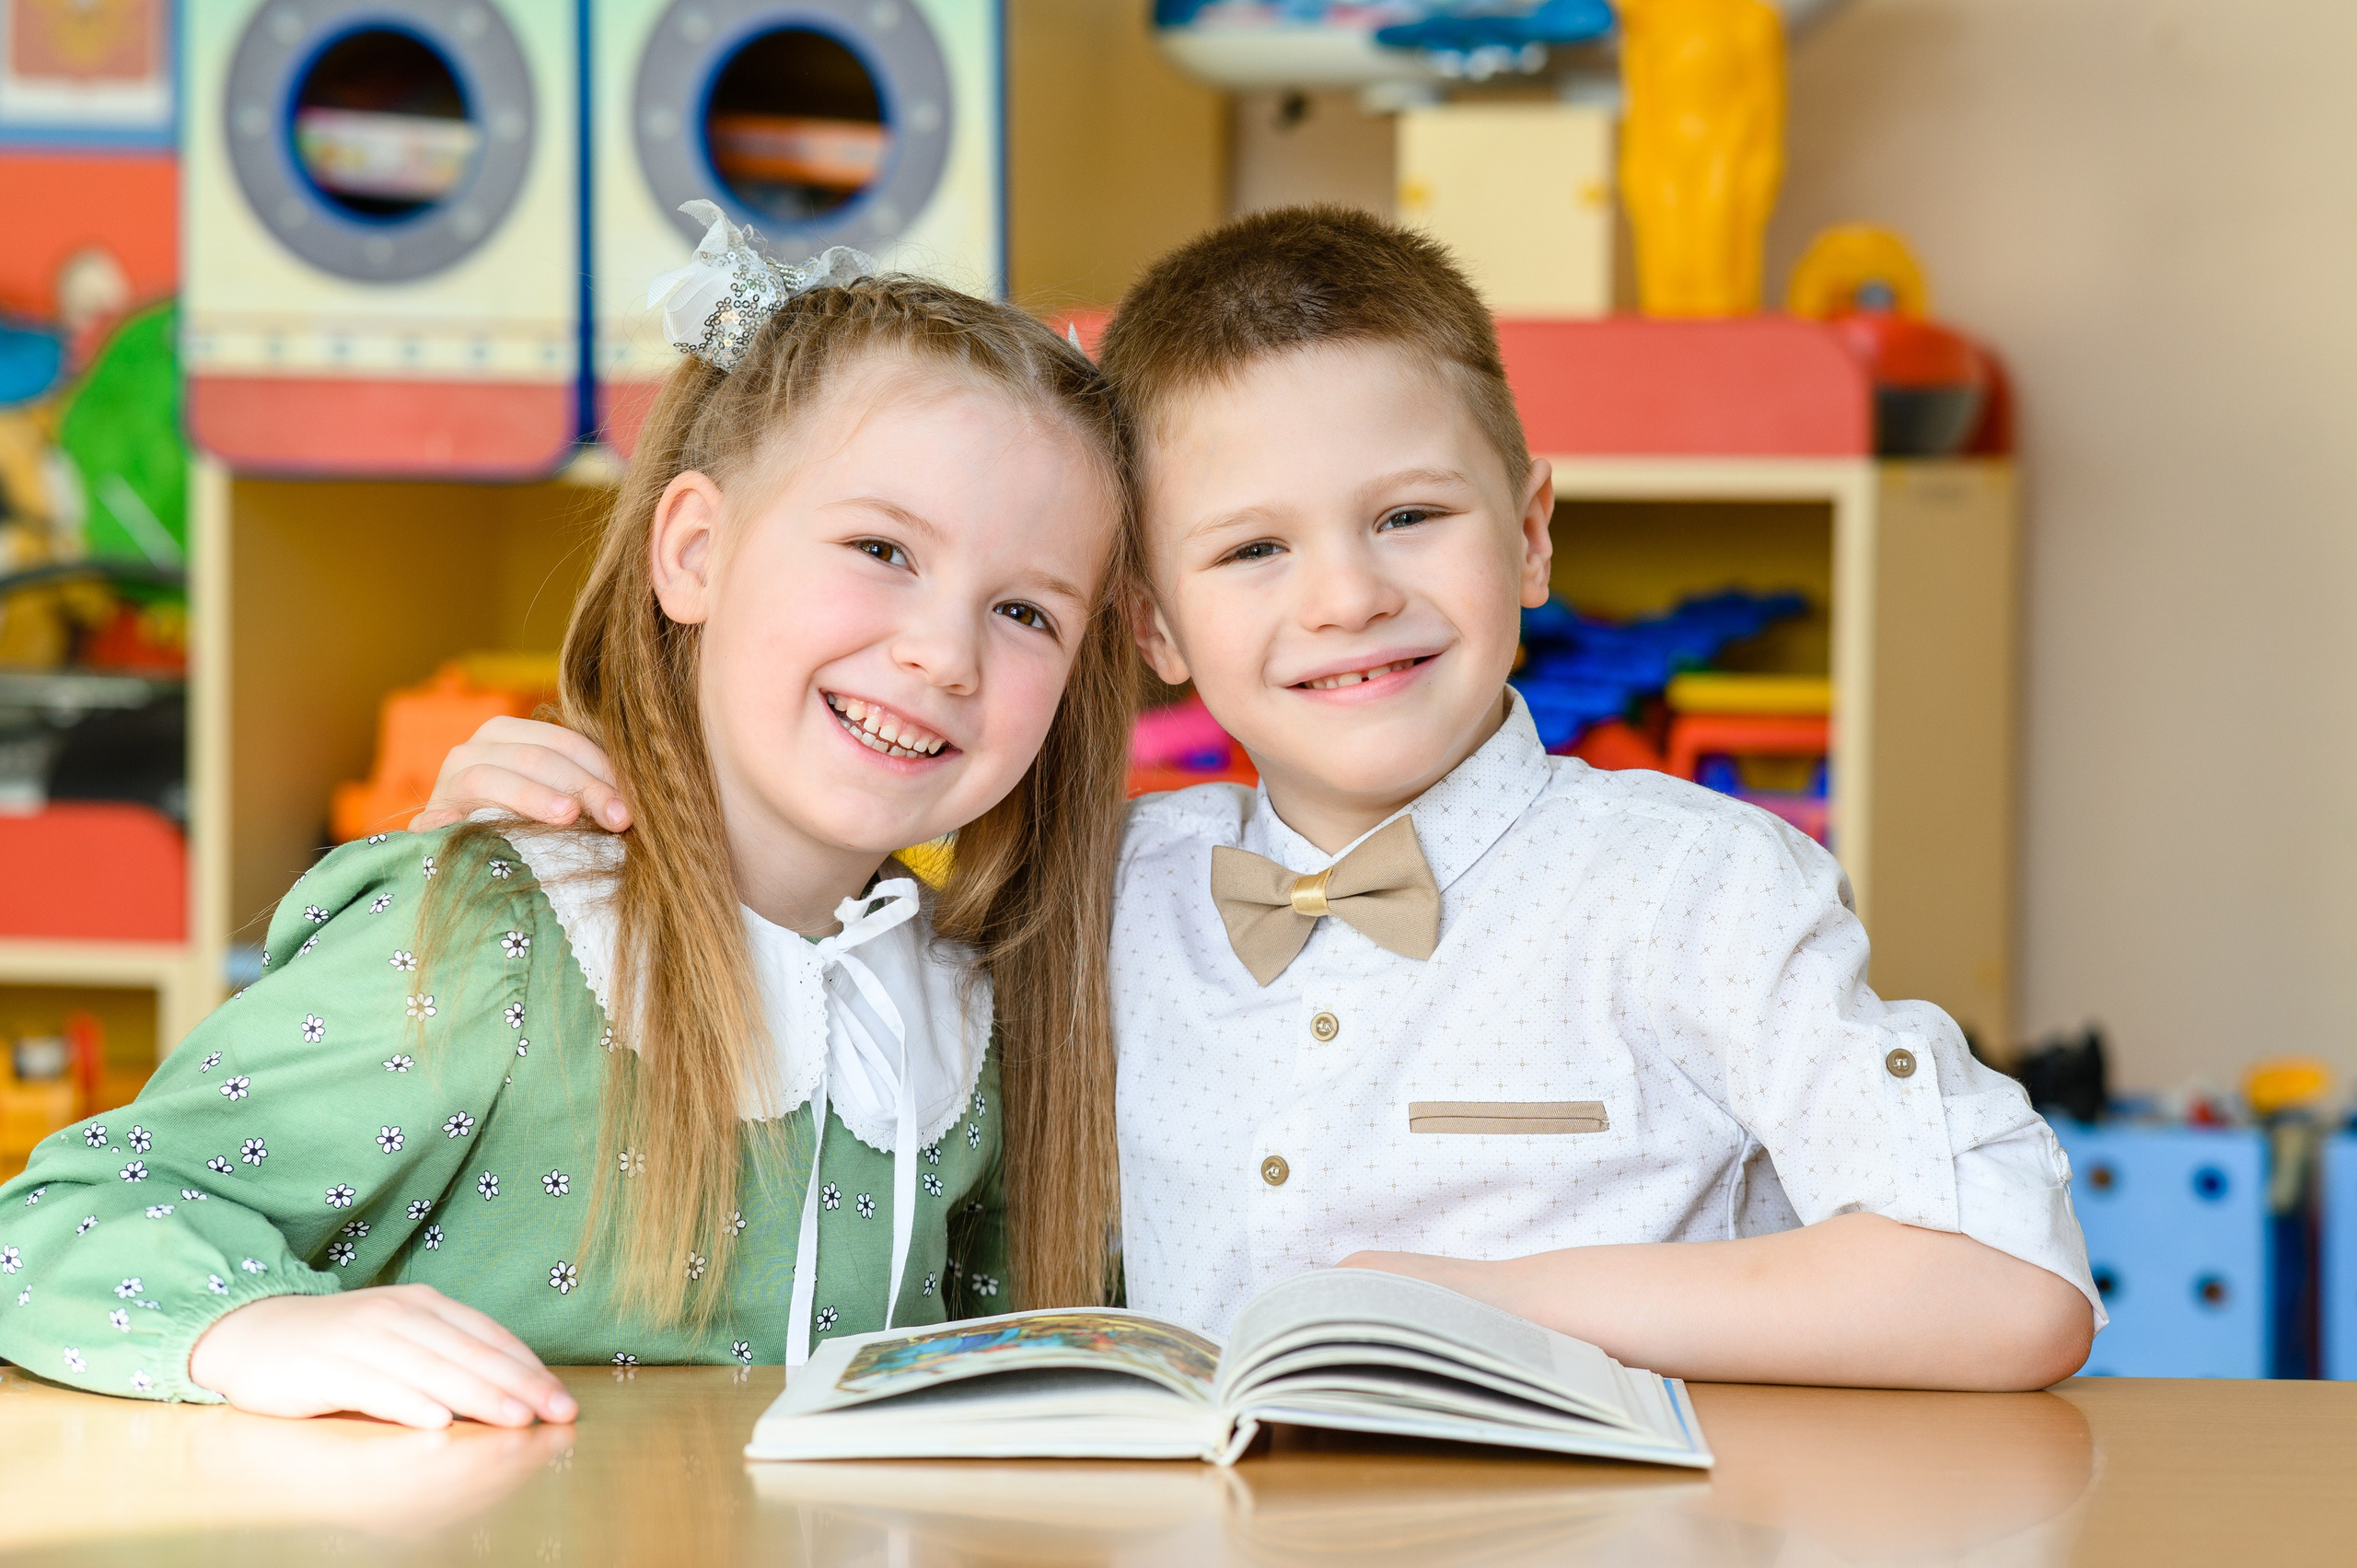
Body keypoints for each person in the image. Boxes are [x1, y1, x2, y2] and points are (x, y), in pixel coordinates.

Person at [422, 205, 2098, 1391]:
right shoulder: (1076, 898)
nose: (1346, 598)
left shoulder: (1700, 888)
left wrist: (1491, 1310)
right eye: (1251, 551)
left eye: (1411, 519)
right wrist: (569, 842)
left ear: (1530, 533)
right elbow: (798, 1004)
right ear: (1149, 625)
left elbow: (2006, 1287)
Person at [0, 206, 1133, 1425]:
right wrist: (257, 1332)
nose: (943, 654)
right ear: (694, 552)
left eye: (1027, 613)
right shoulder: (497, 942)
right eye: (880, 547)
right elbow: (57, 1226)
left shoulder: (964, 1017)